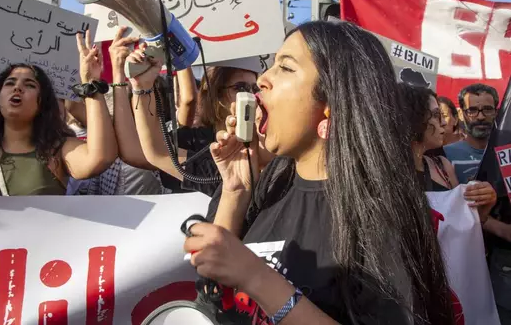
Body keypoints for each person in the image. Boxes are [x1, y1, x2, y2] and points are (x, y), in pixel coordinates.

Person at [183, 21, 456, 324]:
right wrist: (235, 190)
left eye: (285, 68)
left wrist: (258, 278)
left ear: (331, 100)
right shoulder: (268, 183)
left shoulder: (380, 214)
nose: (262, 80)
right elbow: (211, 288)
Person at [0, 32, 118, 197]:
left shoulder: (57, 149)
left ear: (42, 102)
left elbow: (100, 158)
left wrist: (90, 82)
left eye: (29, 85)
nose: (17, 88)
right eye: (10, 83)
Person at [127, 42, 273, 196]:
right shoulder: (193, 141)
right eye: (240, 88)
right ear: (215, 94)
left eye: (254, 89)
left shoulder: (267, 142)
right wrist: (142, 86)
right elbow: (156, 151)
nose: (249, 95)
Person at [398, 83, 496, 221]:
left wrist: (483, 209)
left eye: (488, 109)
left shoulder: (443, 167)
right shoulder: (384, 175)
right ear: (412, 118)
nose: (443, 122)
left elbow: (461, 223)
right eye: (436, 115)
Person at [444, 84, 499, 183]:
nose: (481, 117)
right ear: (461, 114)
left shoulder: (506, 152)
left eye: (487, 109)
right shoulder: (444, 155)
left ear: (496, 113)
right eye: (472, 110)